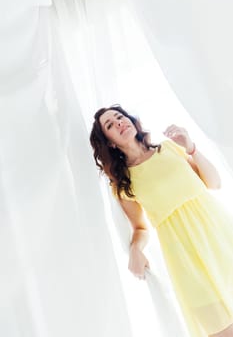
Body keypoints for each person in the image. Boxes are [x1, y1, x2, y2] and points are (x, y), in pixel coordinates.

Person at [90, 104, 233, 337]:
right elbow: (140, 227)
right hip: (186, 259)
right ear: (110, 143)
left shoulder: (170, 149)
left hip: (220, 237)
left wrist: (192, 148)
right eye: (110, 125)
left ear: (131, 121)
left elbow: (214, 183)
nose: (118, 122)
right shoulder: (124, 183)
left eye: (119, 117)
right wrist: (136, 248)